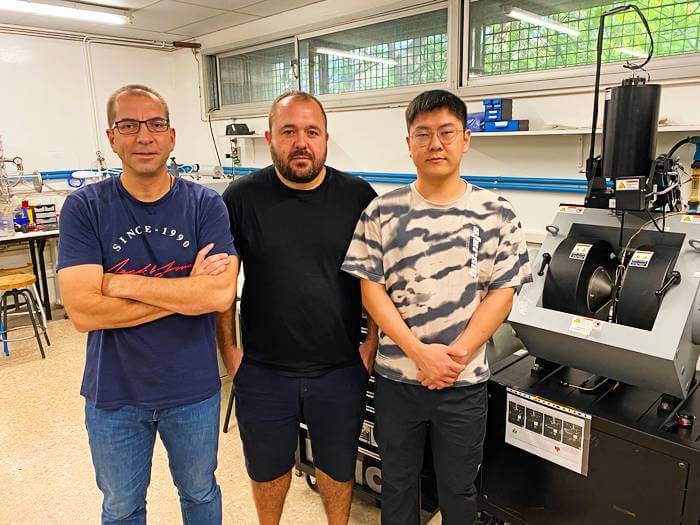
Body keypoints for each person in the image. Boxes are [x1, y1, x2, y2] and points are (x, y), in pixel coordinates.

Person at [341, 89, 532, 525]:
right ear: (408, 144)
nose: (435, 144)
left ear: (465, 139)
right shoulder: (381, 212)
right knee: (397, 485)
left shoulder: (496, 212)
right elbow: (371, 290)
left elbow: (503, 292)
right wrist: (419, 353)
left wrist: (457, 354)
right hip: (397, 381)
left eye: (446, 133)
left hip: (463, 384)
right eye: (422, 134)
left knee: (460, 491)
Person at [57, 84, 238, 525]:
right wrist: (184, 294)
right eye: (129, 125)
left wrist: (117, 283)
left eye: (156, 124)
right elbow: (82, 313)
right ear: (111, 137)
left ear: (171, 137)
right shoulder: (84, 207)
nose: (144, 136)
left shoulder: (205, 204)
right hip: (115, 392)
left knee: (199, 494)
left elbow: (217, 296)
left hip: (192, 390)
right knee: (122, 508)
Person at [216, 90, 378, 525]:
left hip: (340, 368)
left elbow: (376, 279)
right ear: (270, 137)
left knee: (338, 468)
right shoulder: (241, 197)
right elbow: (222, 285)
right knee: (268, 470)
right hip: (263, 370)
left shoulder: (358, 196)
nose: (301, 142)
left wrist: (372, 346)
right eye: (289, 131)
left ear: (326, 138)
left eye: (312, 132)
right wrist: (230, 353)